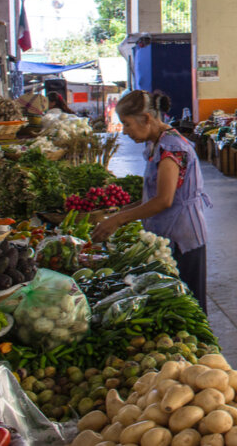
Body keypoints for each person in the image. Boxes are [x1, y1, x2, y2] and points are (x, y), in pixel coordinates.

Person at [92, 90, 211, 311]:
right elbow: (152, 196)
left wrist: (119, 219)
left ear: (146, 118)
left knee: (189, 305)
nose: (125, 131)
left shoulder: (172, 149)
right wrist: (120, 212)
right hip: (167, 233)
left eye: (127, 124)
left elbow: (164, 200)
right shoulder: (156, 143)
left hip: (182, 238)